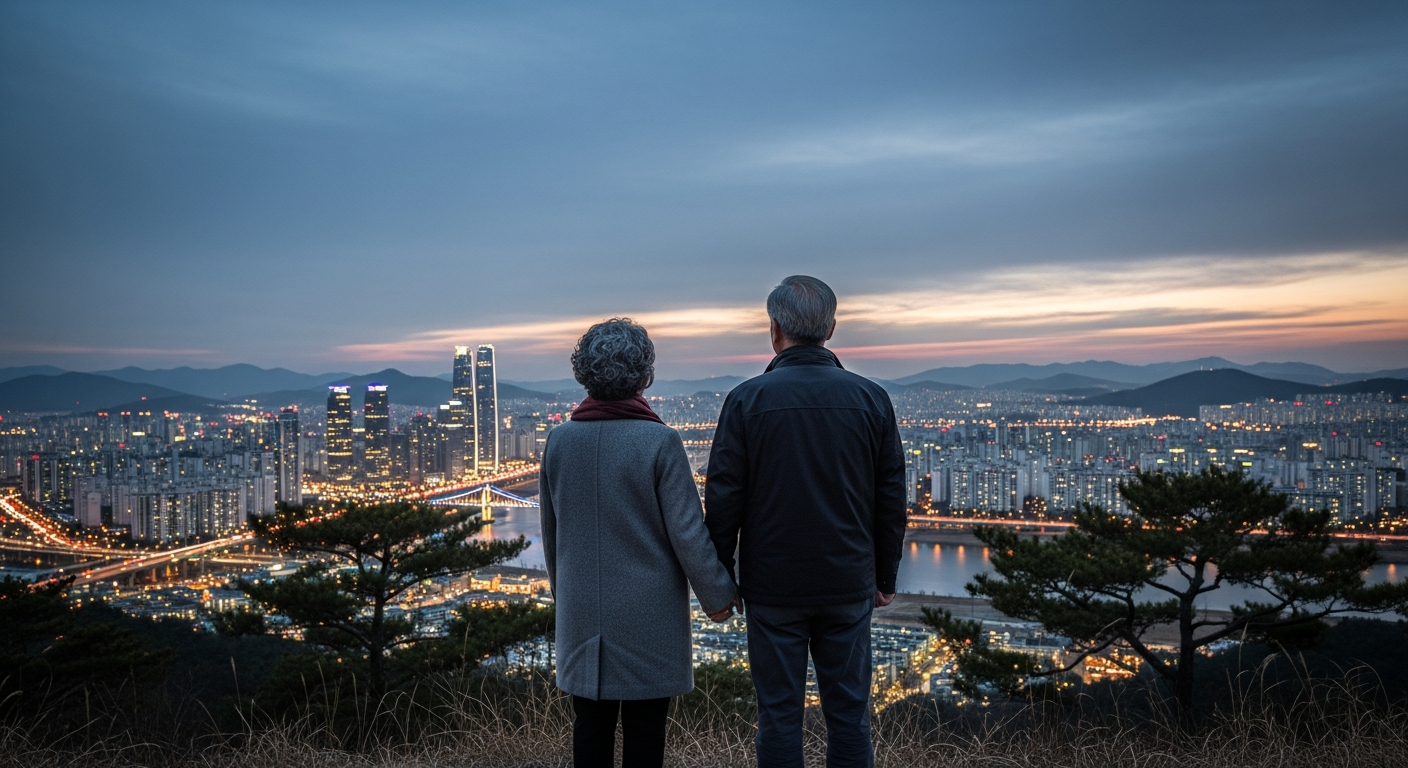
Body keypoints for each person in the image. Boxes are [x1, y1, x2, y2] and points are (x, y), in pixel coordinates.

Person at [704, 276, 907, 768]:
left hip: (773, 587)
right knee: (850, 716)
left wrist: (721, 579)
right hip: (847, 582)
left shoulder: (746, 400)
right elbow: (890, 498)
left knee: (778, 717)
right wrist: (884, 578)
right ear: (831, 329)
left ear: (774, 330)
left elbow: (724, 497)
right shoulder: (871, 398)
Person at [540, 318, 739, 768]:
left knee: (589, 728)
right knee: (646, 732)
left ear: (583, 371)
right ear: (643, 373)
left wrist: (564, 596)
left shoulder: (559, 441)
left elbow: (551, 535)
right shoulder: (660, 441)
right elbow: (688, 533)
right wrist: (719, 596)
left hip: (582, 612)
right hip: (648, 615)